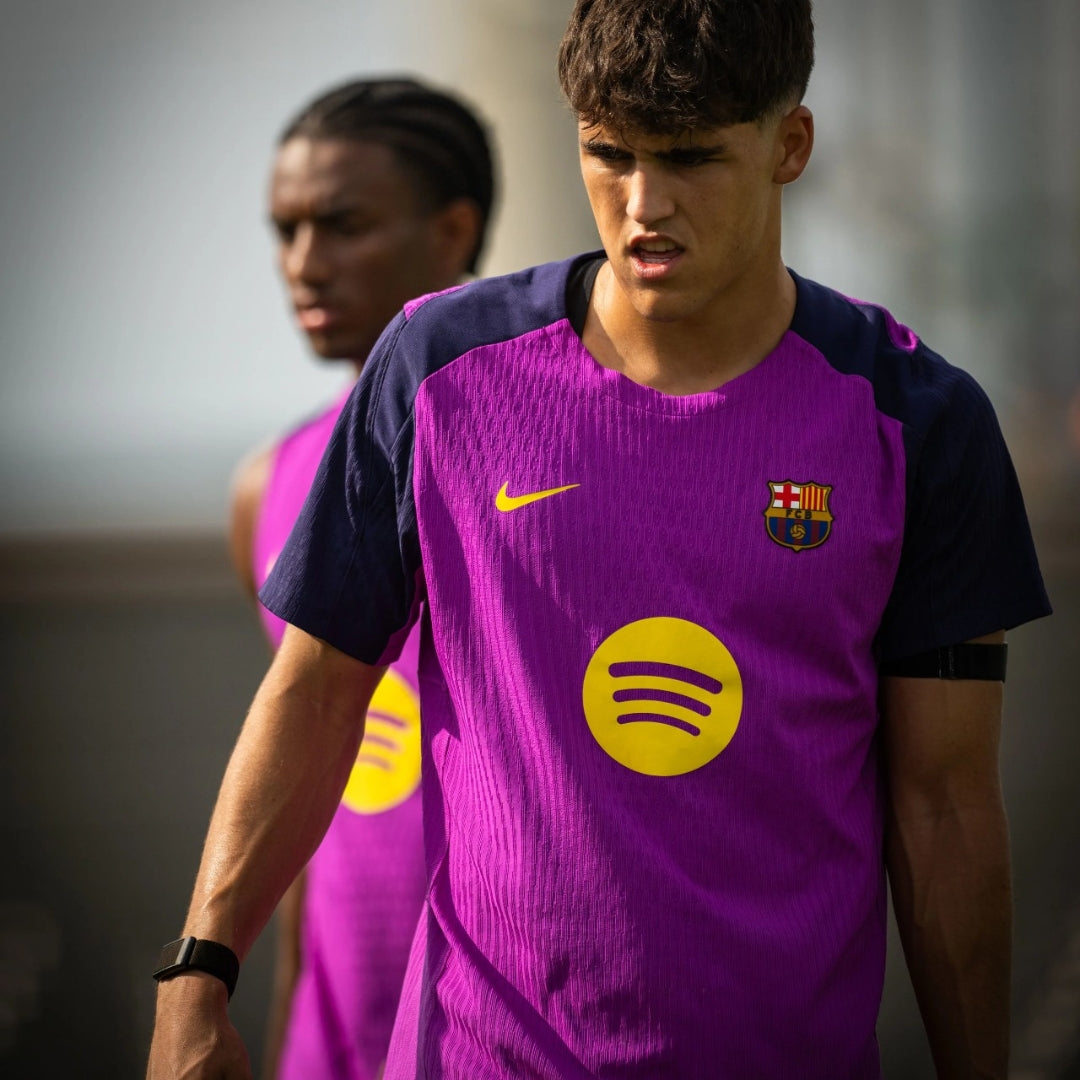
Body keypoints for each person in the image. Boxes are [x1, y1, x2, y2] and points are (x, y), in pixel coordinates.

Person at [148, 2, 1053, 1077]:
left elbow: (944, 801)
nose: (642, 206)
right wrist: (198, 974)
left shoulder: (921, 421)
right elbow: (314, 692)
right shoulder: (436, 368)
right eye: (607, 154)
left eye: (690, 159)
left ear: (790, 146)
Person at [226, 77, 496, 1080]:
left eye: (341, 225)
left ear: (454, 229)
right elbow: (304, 794)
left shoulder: (539, 457)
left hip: (507, 1038)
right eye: (285, 230)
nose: (303, 264)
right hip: (334, 1047)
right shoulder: (268, 486)